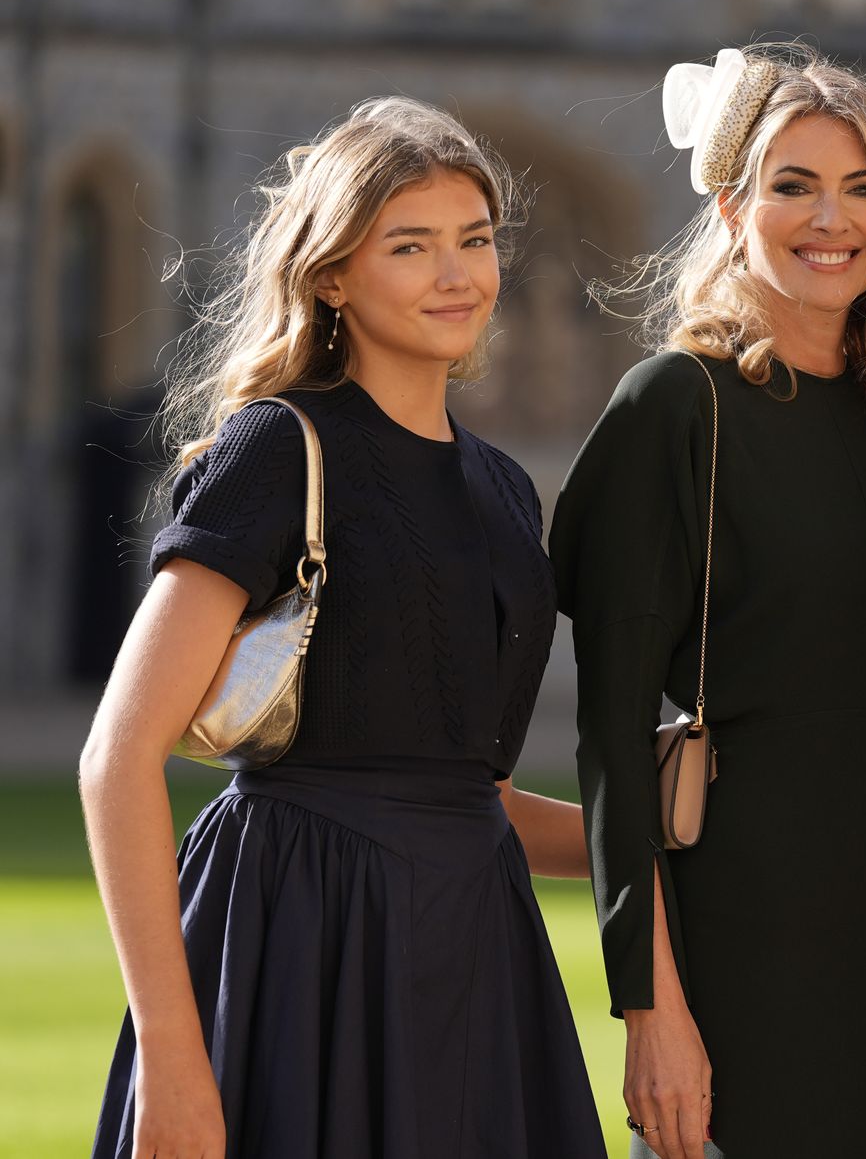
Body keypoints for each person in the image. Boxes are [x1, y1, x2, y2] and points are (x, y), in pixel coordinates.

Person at [79, 97, 604, 1159]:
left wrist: (659, 820)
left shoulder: (505, 491)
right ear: (331, 275)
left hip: (476, 957)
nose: (457, 274)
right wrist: (178, 1061)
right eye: (411, 246)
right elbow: (116, 757)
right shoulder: (279, 446)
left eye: (475, 240)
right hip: (293, 945)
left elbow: (478, 799)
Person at [550, 46, 866, 1159]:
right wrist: (649, 1012)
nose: (829, 217)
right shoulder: (675, 406)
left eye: (863, 188)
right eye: (792, 184)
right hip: (756, 929)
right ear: (730, 203)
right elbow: (611, 739)